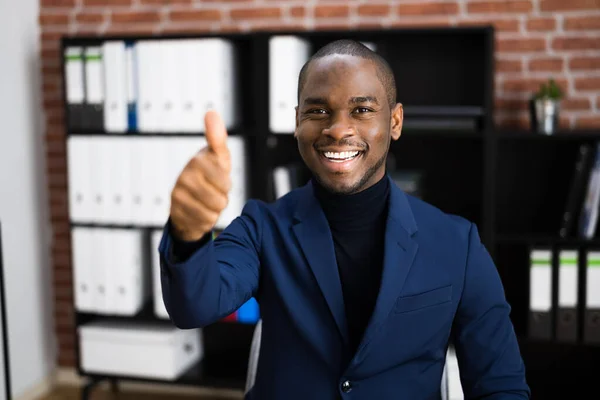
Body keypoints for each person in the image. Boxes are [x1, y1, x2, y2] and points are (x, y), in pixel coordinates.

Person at [158, 39, 530, 399]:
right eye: (317, 111)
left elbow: (500, 384)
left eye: (362, 110)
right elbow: (195, 306)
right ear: (297, 122)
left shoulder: (456, 243)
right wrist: (189, 234)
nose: (337, 129)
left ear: (395, 122)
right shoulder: (262, 226)